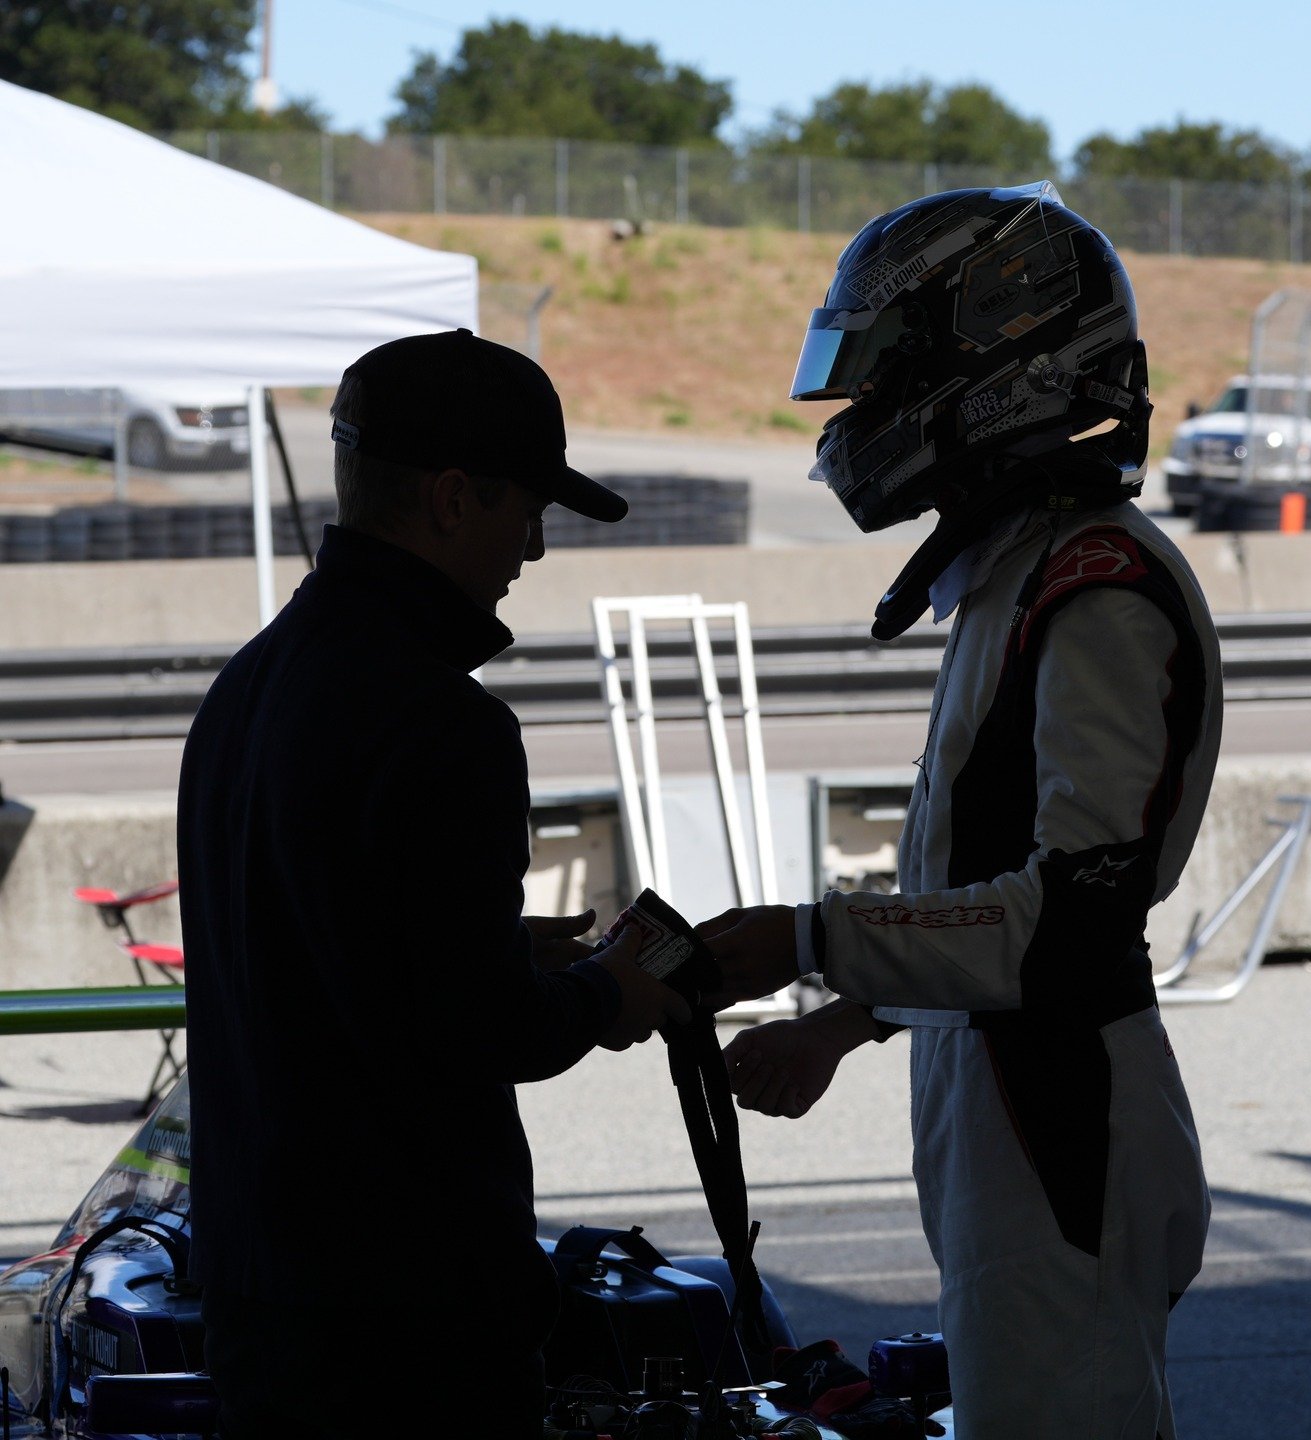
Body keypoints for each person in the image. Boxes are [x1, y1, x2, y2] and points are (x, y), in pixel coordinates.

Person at [697, 184, 1222, 1439]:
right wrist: (847, 1021)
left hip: (1060, 1137)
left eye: (891, 381)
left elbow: (1069, 927)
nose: (865, 419)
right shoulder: (1018, 572)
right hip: (1006, 1115)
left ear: (1001, 370)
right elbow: (996, 894)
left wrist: (803, 939)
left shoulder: (1098, 590)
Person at [177, 329, 689, 1439]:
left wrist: (501, 949)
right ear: (454, 498)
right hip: (407, 1323)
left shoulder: (247, 688)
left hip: (259, 1290)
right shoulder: (445, 721)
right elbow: (478, 1028)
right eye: (526, 512)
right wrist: (612, 997)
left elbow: (325, 959)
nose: (535, 550)